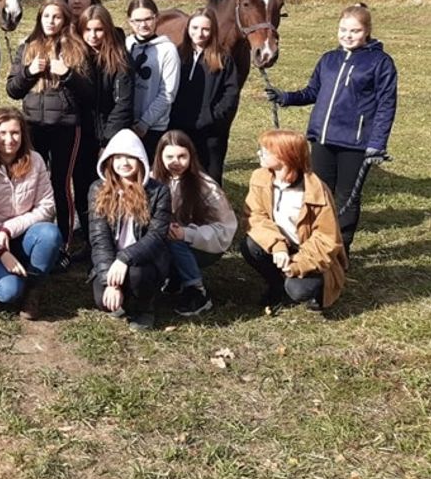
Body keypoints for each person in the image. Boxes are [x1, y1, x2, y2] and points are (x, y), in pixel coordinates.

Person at [265, 4, 398, 251]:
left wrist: (377, 144)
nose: (348, 35)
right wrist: (286, 98)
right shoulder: (329, 59)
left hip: (355, 144)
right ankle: (315, 242)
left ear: (367, 31)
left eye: (355, 31)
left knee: (346, 198)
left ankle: (340, 249)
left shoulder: (380, 63)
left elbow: (386, 105)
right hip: (323, 140)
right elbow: (313, 91)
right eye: (343, 30)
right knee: (318, 193)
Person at [6, 0, 93, 252]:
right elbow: (12, 90)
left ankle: (64, 243)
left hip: (66, 126)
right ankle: (29, 236)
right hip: (33, 126)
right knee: (29, 180)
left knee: (60, 182)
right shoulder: (27, 47)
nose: (51, 21)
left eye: (56, 17)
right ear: (39, 18)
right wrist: (28, 72)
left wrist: (67, 74)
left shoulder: (77, 49)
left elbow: (89, 94)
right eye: (46, 16)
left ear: (64, 20)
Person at [0, 107, 63, 320]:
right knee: (9, 291)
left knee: (50, 234)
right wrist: (1, 252)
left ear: (23, 134)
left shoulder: (35, 161)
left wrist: (9, 228)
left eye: (15, 133)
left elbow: (47, 207)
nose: (9, 139)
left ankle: (33, 289)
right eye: (3, 133)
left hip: (24, 236)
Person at [241, 129, 348, 311]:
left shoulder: (316, 191)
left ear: (284, 156)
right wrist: (277, 246)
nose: (259, 154)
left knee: (297, 290)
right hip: (283, 244)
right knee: (249, 246)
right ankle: (276, 286)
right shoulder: (259, 177)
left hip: (309, 251)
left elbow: (327, 239)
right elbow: (256, 216)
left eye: (265, 151)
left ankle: (318, 286)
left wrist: (298, 265)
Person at [88, 128, 172, 331]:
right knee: (103, 300)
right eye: (118, 157)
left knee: (137, 275)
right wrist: (110, 280)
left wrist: (125, 258)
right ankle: (123, 295)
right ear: (109, 160)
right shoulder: (97, 189)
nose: (124, 163)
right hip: (112, 259)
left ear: (141, 160)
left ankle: (145, 308)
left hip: (144, 261)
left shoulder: (158, 191)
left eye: (130, 157)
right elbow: (100, 238)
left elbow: (156, 236)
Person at [151, 130, 237, 316]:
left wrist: (188, 234)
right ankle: (173, 277)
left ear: (191, 156)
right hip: (161, 241)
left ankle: (196, 291)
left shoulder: (206, 186)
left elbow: (225, 228)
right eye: (169, 156)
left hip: (202, 245)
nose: (175, 162)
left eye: (182, 156)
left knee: (174, 236)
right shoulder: (151, 181)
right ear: (160, 157)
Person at [76, 4, 134, 249]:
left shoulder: (119, 57)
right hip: (81, 132)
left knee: (107, 189)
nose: (93, 35)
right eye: (87, 30)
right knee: (81, 185)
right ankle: (89, 238)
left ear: (107, 30)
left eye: (98, 30)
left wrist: (107, 143)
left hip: (109, 137)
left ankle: (109, 241)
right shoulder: (77, 56)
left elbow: (124, 104)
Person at [169, 8, 239, 183]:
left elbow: (230, 93)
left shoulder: (223, 58)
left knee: (209, 180)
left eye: (205, 29)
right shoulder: (177, 54)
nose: (199, 33)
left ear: (212, 30)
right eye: (194, 28)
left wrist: (213, 117)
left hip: (209, 132)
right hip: (179, 126)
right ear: (188, 28)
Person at [125, 0, 180, 162]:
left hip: (153, 127)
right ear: (129, 21)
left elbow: (168, 93)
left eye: (148, 19)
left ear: (156, 18)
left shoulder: (167, 50)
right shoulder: (127, 44)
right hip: (127, 122)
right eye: (137, 20)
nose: (143, 25)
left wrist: (144, 124)